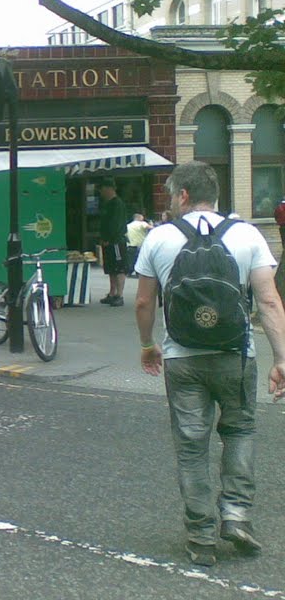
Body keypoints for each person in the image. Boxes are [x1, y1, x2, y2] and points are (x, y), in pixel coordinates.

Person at [135, 161, 285, 567]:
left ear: (183, 195)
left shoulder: (159, 238)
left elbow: (145, 301)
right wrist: (281, 359)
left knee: (191, 446)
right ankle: (236, 515)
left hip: (183, 357)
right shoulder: (247, 234)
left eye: (171, 195)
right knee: (239, 432)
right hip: (235, 355)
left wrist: (148, 345)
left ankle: (201, 535)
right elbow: (269, 301)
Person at [98, 178, 128, 306]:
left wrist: (109, 239)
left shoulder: (117, 204)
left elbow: (116, 224)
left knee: (119, 267)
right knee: (111, 268)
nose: (100, 192)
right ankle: (112, 292)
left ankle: (119, 295)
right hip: (108, 241)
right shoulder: (107, 203)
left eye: (102, 189)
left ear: (109, 189)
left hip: (116, 241)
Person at [125, 213, 152, 278]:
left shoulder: (128, 225)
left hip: (131, 245)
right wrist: (151, 224)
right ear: (139, 218)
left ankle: (129, 272)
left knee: (131, 260)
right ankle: (138, 272)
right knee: (140, 260)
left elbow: (125, 235)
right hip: (141, 245)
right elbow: (150, 228)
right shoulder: (142, 223)